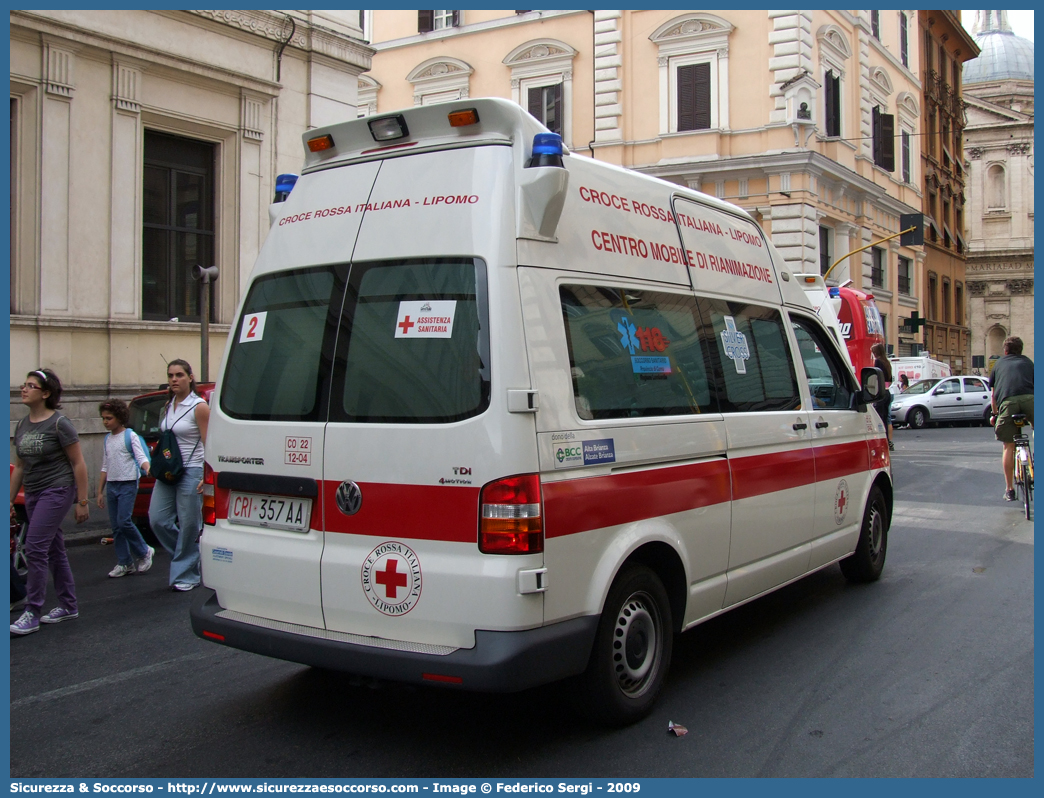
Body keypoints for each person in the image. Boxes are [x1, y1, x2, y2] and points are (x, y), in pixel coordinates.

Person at [9, 368, 88, 635]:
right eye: (24, 384)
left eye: (30, 386)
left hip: (57, 490)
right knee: (54, 549)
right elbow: (19, 467)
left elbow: (78, 463)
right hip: (32, 492)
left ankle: (32, 611)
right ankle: (68, 605)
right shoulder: (22, 425)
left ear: (45, 393)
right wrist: (8, 500)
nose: (24, 389)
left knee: (34, 547)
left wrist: (82, 500)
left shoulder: (59, 423)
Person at [148, 359, 209, 591]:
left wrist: (207, 473)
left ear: (190, 378)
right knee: (158, 519)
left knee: (189, 524)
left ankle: (187, 574)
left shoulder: (198, 406)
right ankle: (189, 556)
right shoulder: (167, 405)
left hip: (192, 469)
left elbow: (208, 441)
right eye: (171, 375)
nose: (174, 379)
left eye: (179, 375)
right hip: (167, 471)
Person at [97, 399, 155, 578]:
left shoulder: (130, 436)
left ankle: (144, 551)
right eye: (104, 418)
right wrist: (99, 491)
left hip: (128, 483)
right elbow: (105, 466)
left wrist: (147, 468)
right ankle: (125, 562)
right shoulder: (108, 439)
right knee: (116, 527)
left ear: (119, 417)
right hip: (113, 485)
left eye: (109, 418)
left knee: (124, 521)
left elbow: (140, 457)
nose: (106, 422)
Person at [989, 336, 1034, 502]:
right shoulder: (1029, 362)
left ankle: (1009, 489)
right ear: (1021, 350)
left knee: (1008, 445)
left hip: (1008, 403)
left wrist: (994, 415)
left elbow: (993, 395)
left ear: (1005, 351)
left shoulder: (999, 364)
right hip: (1030, 400)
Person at [871, 343, 894, 451]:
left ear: (877, 353)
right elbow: (890, 379)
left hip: (880, 393)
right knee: (886, 418)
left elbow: (875, 377)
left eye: (874, 353)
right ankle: (889, 441)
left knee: (877, 417)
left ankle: (881, 442)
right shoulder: (887, 362)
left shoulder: (878, 361)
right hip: (888, 392)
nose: (873, 355)